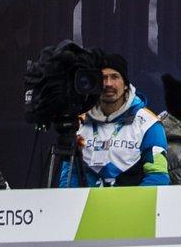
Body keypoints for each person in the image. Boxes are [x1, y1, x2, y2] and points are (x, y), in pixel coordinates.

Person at [62, 52, 171, 187]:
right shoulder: (79, 123)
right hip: (87, 201)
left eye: (114, 77)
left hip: (131, 200)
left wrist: (129, 200)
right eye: (103, 78)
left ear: (125, 84)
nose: (108, 84)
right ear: (95, 83)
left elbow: (158, 176)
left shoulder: (149, 124)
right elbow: (68, 177)